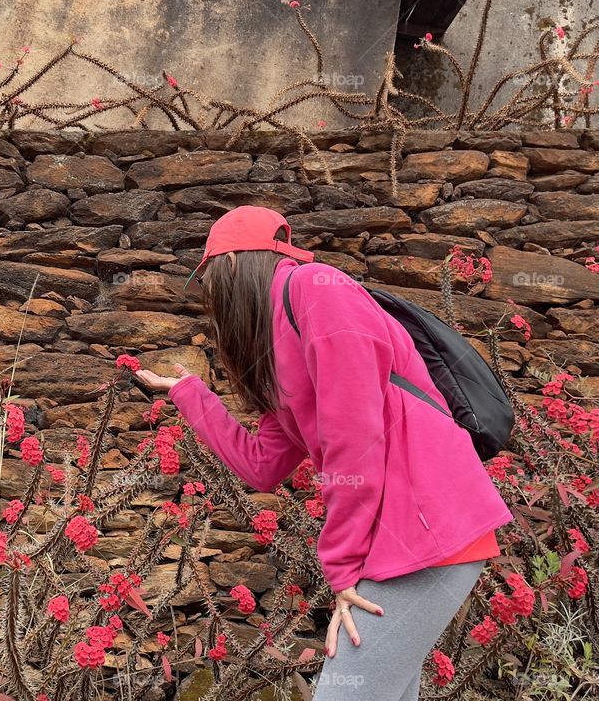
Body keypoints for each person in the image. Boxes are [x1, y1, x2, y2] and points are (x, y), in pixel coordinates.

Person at [134, 205, 513, 700]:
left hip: (430, 527)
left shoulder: (316, 289)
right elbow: (261, 465)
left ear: (228, 265)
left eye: (207, 280)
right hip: (397, 538)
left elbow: (354, 436)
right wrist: (189, 394)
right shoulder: (272, 343)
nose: (211, 297)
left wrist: (341, 566)